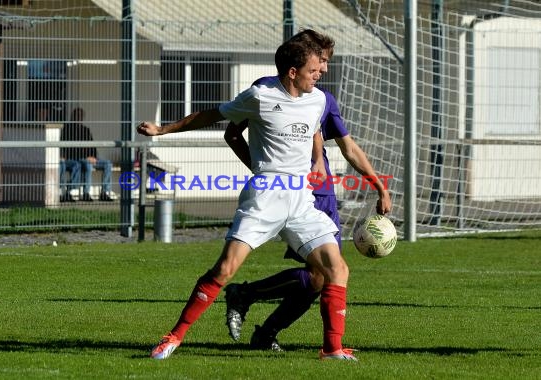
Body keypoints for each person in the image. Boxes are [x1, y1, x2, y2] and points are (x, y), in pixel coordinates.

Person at [137, 36, 356, 361]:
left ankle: (332, 349)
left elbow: (311, 129)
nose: (320, 73)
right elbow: (211, 116)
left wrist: (319, 159)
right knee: (225, 269)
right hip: (265, 195)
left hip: (301, 198)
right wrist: (163, 130)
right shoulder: (260, 95)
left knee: (337, 269)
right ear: (292, 72)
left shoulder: (319, 100)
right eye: (313, 69)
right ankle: (174, 337)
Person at [222, 29, 392, 351]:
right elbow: (233, 134)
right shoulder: (267, 91)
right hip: (295, 191)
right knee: (322, 275)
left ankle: (262, 326)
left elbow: (348, 147)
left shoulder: (321, 99)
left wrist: (377, 184)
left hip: (322, 192)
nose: (324, 69)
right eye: (321, 62)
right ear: (300, 62)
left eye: (326, 62)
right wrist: (265, 172)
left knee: (321, 277)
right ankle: (252, 303)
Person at [60, 108, 114, 202]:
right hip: (76, 158)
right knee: (87, 166)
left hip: (89, 157)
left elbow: (92, 145)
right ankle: (85, 193)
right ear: (72, 117)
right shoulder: (67, 129)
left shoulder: (86, 130)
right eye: (76, 116)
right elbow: (68, 147)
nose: (78, 118)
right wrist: (86, 157)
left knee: (107, 163)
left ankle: (104, 192)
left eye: (80, 116)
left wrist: (93, 156)